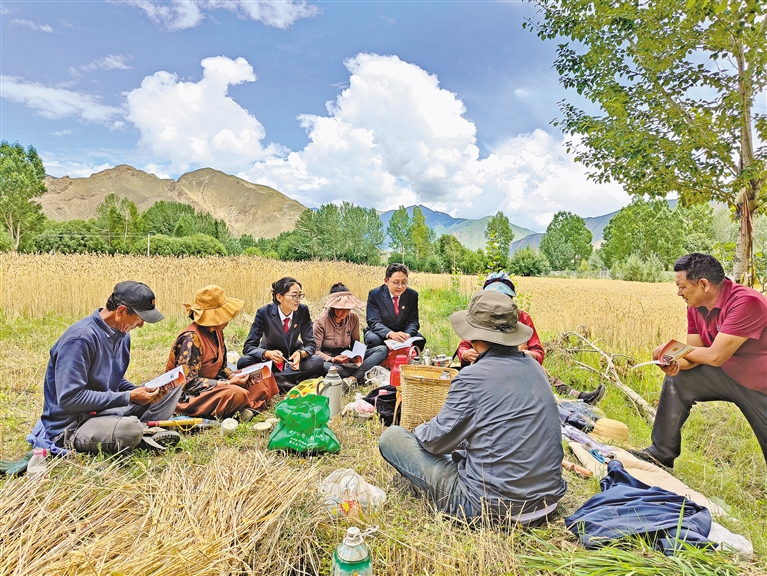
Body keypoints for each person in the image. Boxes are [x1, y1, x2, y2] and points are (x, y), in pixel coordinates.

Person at [379, 290, 567, 524]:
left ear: (476, 337)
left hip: (493, 509)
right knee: (460, 448)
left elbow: (434, 442)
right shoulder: (535, 367)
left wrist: (417, 432)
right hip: (548, 502)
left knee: (393, 437)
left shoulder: (471, 378)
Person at [630, 253, 767, 469]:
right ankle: (661, 453)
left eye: (682, 286)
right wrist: (674, 362)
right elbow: (696, 354)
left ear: (703, 284)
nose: (679, 293)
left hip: (761, 387)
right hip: (727, 375)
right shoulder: (694, 307)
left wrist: (673, 348)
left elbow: (714, 355)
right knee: (679, 379)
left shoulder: (746, 302)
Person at [27, 281, 182, 454]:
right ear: (121, 311)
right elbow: (70, 398)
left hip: (106, 411)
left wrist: (141, 392)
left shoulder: (123, 335)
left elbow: (112, 379)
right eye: (139, 318)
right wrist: (129, 396)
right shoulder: (80, 340)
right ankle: (141, 433)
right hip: (73, 425)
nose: (141, 325)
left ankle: (140, 431)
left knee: (174, 386)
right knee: (130, 429)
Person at [456, 272, 605, 405]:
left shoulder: (523, 318)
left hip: (519, 366)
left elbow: (538, 351)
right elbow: (463, 345)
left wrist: (530, 355)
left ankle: (576, 397)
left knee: (540, 373)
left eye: (503, 298)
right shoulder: (479, 318)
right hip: (487, 370)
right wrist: (465, 354)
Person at [166, 285, 279, 420]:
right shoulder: (190, 338)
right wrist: (228, 384)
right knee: (236, 394)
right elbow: (188, 384)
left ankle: (247, 407)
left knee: (264, 375)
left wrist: (232, 376)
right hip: (190, 396)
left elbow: (221, 366)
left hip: (217, 383)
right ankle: (246, 406)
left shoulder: (217, 332)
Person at [237, 277, 325, 392]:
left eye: (300, 295)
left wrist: (301, 354)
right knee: (243, 362)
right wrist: (267, 353)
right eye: (294, 296)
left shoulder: (303, 311)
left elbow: (310, 344)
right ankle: (287, 380)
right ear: (279, 297)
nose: (298, 300)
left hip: (293, 361)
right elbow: (248, 347)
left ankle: (276, 380)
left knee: (318, 361)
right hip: (270, 361)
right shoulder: (264, 313)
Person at [314, 283, 389, 389]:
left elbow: (355, 344)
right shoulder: (321, 321)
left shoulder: (353, 318)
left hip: (347, 357)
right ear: (333, 306)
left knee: (382, 350)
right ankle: (361, 374)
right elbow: (315, 351)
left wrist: (357, 356)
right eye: (341, 308)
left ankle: (352, 378)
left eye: (348, 308)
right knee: (329, 368)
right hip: (331, 359)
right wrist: (333, 359)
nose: (345, 312)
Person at [364, 263, 425, 362]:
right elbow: (374, 322)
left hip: (402, 332)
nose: (400, 286)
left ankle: (408, 362)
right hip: (380, 332)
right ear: (386, 281)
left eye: (404, 282)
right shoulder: (375, 294)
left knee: (420, 339)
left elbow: (413, 321)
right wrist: (391, 334)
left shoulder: (412, 295)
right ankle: (378, 363)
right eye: (396, 282)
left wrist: (407, 335)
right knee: (375, 340)